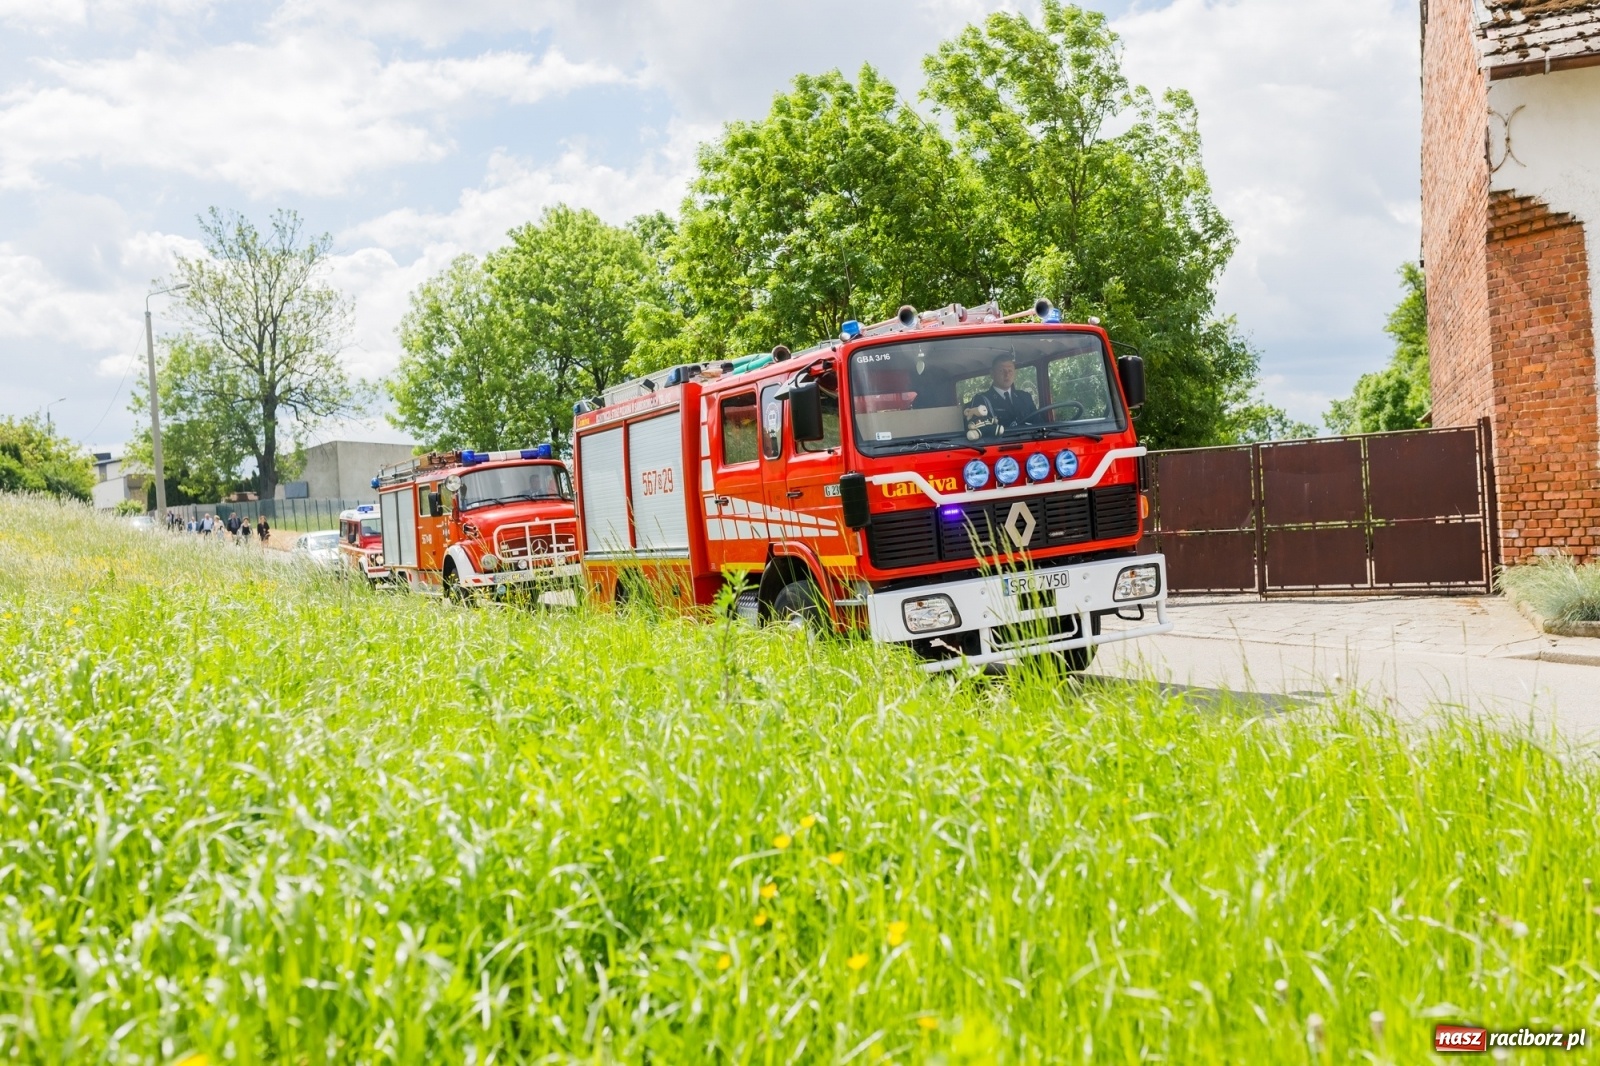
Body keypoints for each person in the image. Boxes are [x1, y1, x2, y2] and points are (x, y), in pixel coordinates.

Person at [964, 353, 1037, 436]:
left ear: (1015, 373)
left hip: (1031, 444)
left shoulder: (1025, 397)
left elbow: (1040, 424)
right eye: (1001, 371)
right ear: (992, 374)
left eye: (1010, 371)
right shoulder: (981, 400)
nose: (1007, 375)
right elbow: (979, 430)